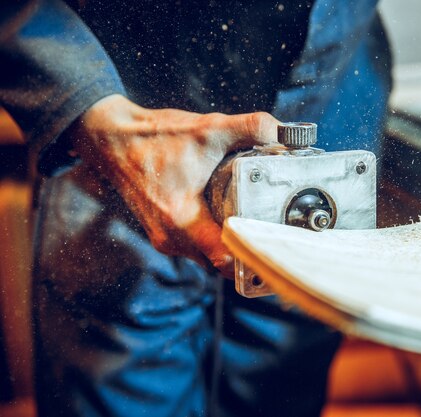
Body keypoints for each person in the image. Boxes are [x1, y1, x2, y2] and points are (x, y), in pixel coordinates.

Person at [0, 1, 392, 416]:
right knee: (122, 376)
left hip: (332, 81)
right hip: (124, 107)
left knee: (282, 386)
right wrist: (92, 112)